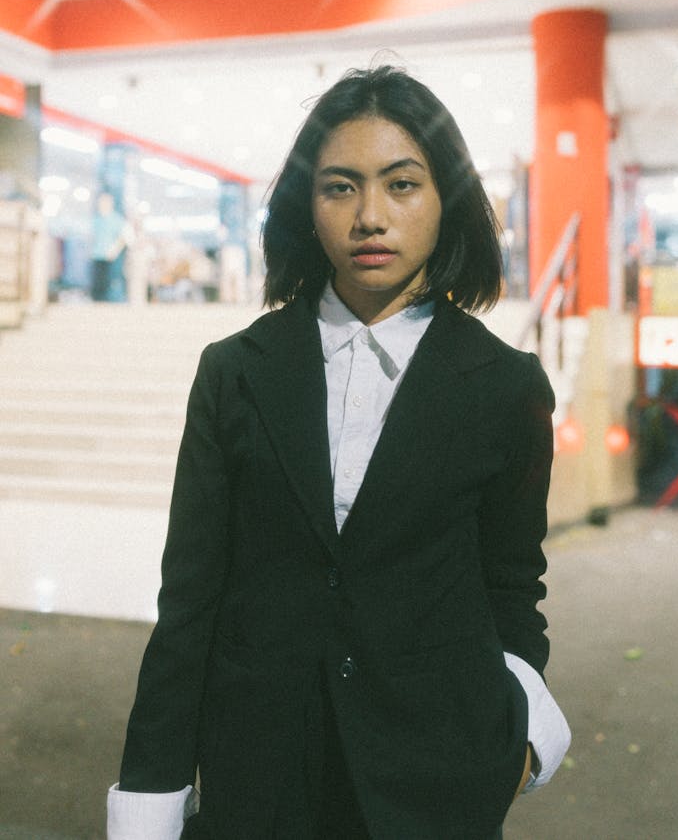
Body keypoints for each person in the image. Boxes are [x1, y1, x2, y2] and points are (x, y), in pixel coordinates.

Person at [107, 64, 570, 840]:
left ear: (446, 198)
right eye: (340, 187)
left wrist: (516, 742)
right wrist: (151, 793)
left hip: (435, 784)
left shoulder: (503, 385)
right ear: (307, 205)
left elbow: (511, 585)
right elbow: (189, 602)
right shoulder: (236, 372)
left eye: (402, 183)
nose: (370, 216)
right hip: (260, 779)